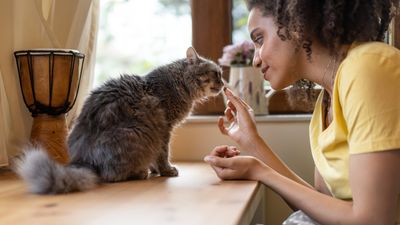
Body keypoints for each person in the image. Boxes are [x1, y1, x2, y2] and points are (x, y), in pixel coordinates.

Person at [204, 0, 400, 224]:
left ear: (296, 23)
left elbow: (372, 219)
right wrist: (252, 142)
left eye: (259, 39)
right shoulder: (324, 104)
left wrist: (260, 172)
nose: (256, 60)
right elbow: (321, 208)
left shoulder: (371, 66)